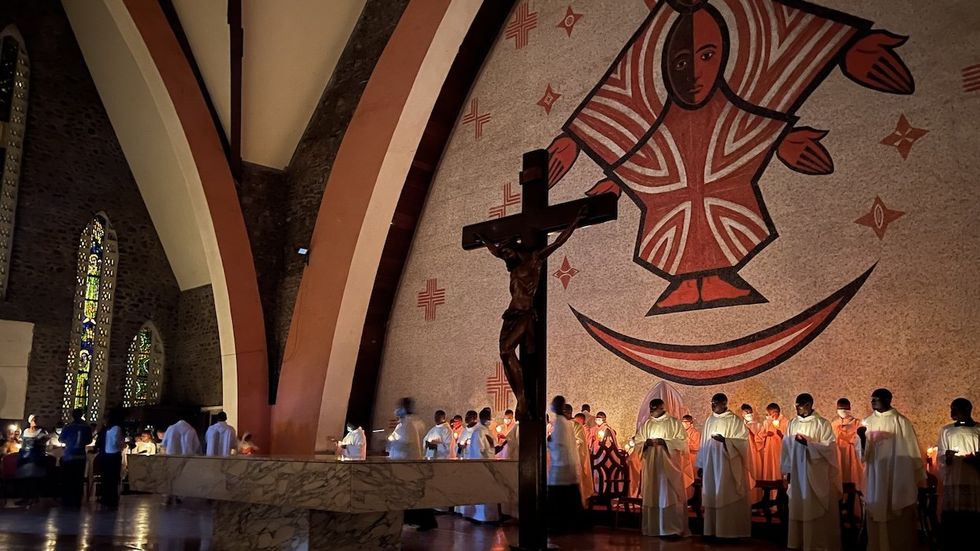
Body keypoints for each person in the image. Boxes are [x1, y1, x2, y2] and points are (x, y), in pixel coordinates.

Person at [857, 388, 925, 551]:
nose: (872, 402)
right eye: (871, 399)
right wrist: (861, 438)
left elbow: (911, 450)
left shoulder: (901, 422)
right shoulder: (868, 422)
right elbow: (863, 455)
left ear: (888, 400)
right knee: (877, 510)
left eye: (876, 399)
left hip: (897, 474)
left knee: (897, 512)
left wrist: (915, 474)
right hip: (875, 475)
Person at [781, 394, 841, 550]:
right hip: (796, 474)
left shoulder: (822, 424)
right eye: (795, 405)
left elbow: (829, 449)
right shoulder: (792, 423)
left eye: (799, 405)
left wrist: (808, 444)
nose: (796, 408)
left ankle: (816, 545)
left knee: (814, 509)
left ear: (808, 405)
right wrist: (787, 471)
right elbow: (786, 449)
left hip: (815, 474)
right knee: (797, 506)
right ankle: (798, 542)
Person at [697, 393, 752, 538]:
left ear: (724, 403)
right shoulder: (709, 420)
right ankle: (712, 531)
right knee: (712, 495)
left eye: (716, 402)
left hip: (727, 466)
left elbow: (743, 443)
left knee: (726, 494)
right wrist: (701, 464)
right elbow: (703, 442)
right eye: (712, 402)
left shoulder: (735, 420)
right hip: (710, 466)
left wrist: (725, 441)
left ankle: (729, 533)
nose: (713, 405)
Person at [634, 399, 689, 537]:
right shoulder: (647, 423)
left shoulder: (674, 423)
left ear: (662, 407)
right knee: (653, 494)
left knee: (668, 494)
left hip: (668, 466)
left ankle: (671, 529)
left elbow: (682, 442)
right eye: (650, 407)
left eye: (654, 407)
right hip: (652, 467)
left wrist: (664, 442)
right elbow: (638, 441)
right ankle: (653, 528)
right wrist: (646, 444)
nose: (651, 409)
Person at [937, 397, 980, 549]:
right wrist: (947, 458)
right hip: (954, 479)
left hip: (974, 480)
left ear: (968, 410)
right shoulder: (946, 430)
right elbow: (941, 455)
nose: (952, 412)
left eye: (956, 409)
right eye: (952, 408)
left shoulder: (978, 430)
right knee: (953, 519)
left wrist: (975, 459)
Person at [548, 395, 583, 533]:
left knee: (559, 497)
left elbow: (559, 444)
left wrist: (549, 443)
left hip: (561, 465)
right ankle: (571, 524)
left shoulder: (561, 423)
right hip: (568, 464)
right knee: (569, 496)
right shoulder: (566, 422)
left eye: (554, 405)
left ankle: (559, 526)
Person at [463, 408, 500, 523]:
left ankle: (489, 517)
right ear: (483, 418)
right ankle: (482, 517)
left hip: (489, 465)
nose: (490, 420)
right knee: (483, 492)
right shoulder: (479, 431)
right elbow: (478, 450)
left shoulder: (486, 430)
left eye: (490, 418)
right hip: (483, 466)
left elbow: (491, 447)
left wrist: (496, 447)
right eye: (488, 418)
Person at [831, 398, 862, 520]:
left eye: (844, 409)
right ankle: (838, 511)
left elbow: (858, 439)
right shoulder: (834, 424)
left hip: (852, 458)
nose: (842, 411)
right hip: (838, 457)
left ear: (849, 409)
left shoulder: (857, 423)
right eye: (840, 409)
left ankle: (851, 510)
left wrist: (844, 434)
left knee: (852, 483)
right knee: (839, 483)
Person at [59, 408, 93, 506]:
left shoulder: (68, 426)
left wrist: (69, 442)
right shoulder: (86, 427)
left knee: (68, 478)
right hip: (80, 456)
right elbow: (89, 440)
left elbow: (61, 439)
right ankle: (77, 500)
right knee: (78, 479)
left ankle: (67, 499)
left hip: (69, 455)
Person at [97, 409, 125, 508]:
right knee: (113, 479)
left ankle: (105, 498)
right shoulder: (116, 428)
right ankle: (111, 499)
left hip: (104, 456)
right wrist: (123, 445)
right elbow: (117, 442)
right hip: (113, 456)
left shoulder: (106, 428)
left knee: (105, 478)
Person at [568, 407, 594, 507]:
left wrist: (568, 445)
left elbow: (580, 441)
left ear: (570, 413)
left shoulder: (576, 426)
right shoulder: (559, 425)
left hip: (574, 459)